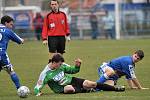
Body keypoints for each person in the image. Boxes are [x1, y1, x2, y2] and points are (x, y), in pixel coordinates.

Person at [34, 53, 125, 96]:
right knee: (69, 89)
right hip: (62, 88)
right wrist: (38, 93)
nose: (61, 65)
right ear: (54, 62)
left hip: (72, 80)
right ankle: (86, 90)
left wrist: (77, 66)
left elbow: (73, 70)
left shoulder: (61, 66)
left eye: (61, 64)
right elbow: (37, 87)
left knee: (91, 84)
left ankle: (115, 88)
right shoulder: (45, 73)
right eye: (59, 64)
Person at [0, 15, 24, 90]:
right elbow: (20, 41)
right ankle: (19, 88)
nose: (12, 26)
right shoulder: (8, 31)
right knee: (11, 72)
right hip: (2, 55)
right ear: (6, 23)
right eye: (11, 24)